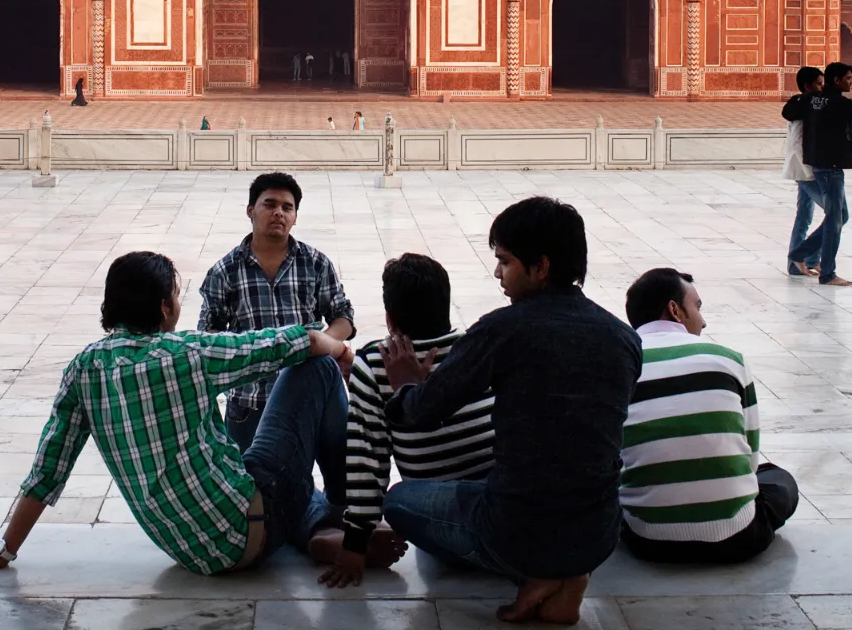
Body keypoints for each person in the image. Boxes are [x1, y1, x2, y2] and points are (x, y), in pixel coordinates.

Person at [0, 251, 362, 578]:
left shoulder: (84, 369)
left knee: (270, 473)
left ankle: (316, 528)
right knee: (316, 368)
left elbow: (48, 471)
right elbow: (298, 342)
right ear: (163, 308)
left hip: (191, 553)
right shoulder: (187, 353)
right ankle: (342, 514)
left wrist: (4, 550)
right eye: (175, 295)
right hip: (251, 529)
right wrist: (342, 352)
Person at [382, 197, 641, 626]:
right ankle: (567, 574)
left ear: (541, 267)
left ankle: (534, 572)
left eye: (504, 261)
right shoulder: (623, 338)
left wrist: (406, 386)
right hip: (599, 534)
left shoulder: (503, 328)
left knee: (399, 501)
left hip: (516, 533)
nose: (497, 273)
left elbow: (422, 413)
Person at [320, 253, 493, 590]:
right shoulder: (478, 347)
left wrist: (354, 545)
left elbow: (368, 460)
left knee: (397, 501)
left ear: (389, 319)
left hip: (452, 530)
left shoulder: (375, 362)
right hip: (507, 508)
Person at [619, 268, 797, 564]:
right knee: (778, 479)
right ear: (675, 310)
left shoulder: (619, 364)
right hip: (740, 537)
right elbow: (751, 459)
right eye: (698, 307)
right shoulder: (729, 359)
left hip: (647, 541)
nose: (703, 321)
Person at [200, 172, 356, 460]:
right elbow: (208, 335)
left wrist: (318, 343)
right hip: (250, 401)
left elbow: (343, 317)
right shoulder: (225, 271)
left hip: (311, 394)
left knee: (338, 472)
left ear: (295, 217)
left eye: (287, 207)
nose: (278, 213)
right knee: (251, 482)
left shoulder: (316, 263)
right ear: (250, 210)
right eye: (269, 204)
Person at [781, 61, 852, 287]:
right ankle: (827, 273)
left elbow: (788, 112)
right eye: (848, 79)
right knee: (835, 219)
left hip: (818, 164)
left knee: (839, 216)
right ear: (837, 80)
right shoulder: (838, 103)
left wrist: (799, 98)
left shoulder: (811, 100)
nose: (851, 83)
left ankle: (800, 254)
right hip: (831, 167)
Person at [782, 66, 822, 274]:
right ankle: (807, 257)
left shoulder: (800, 104)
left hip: (803, 168)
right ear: (807, 86)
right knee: (836, 215)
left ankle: (798, 263)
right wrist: (808, 171)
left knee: (804, 215)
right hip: (804, 169)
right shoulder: (802, 106)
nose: (822, 88)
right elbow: (798, 143)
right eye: (819, 84)